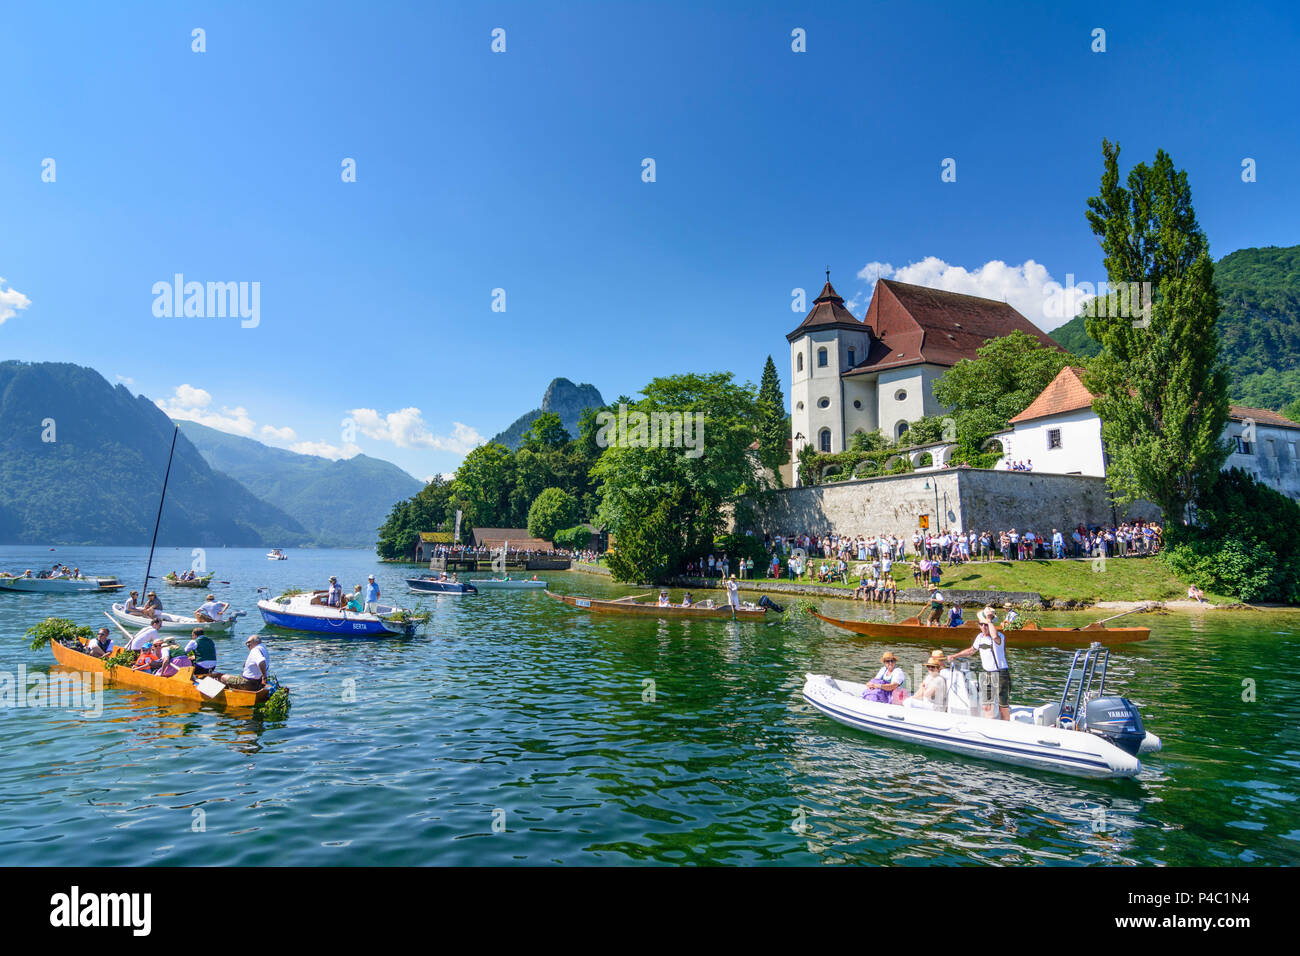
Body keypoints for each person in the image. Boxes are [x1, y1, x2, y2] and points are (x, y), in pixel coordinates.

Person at [948, 608, 1011, 720]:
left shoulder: (1000, 636)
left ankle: (1006, 726)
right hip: (987, 674)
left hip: (1001, 674)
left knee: (1003, 706)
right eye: (981, 625)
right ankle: (989, 727)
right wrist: (954, 656)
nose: (983, 627)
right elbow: (971, 650)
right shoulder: (979, 637)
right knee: (986, 706)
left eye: (986, 625)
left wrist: (989, 620)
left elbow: (995, 636)